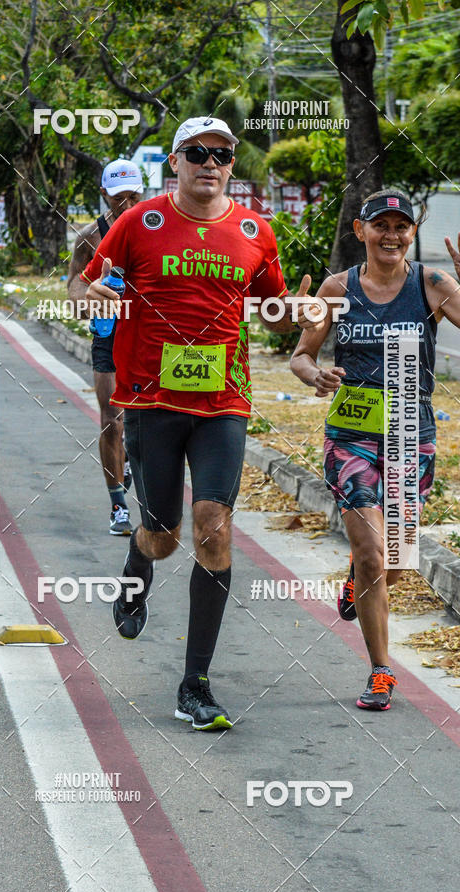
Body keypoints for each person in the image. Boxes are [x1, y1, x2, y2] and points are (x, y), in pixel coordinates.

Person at [81, 116, 307, 730]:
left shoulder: (257, 229)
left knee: (214, 530)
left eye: (223, 154)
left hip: (223, 405)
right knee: (164, 536)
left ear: (232, 164)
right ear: (176, 162)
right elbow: (84, 286)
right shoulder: (139, 222)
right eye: (198, 153)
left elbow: (274, 312)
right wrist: (93, 296)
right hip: (153, 403)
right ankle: (137, 566)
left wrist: (296, 314)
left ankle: (195, 684)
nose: (211, 162)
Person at [290, 188, 460, 711]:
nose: (392, 235)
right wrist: (316, 375)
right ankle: (381, 671)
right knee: (372, 553)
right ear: (361, 231)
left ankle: (357, 590)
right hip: (351, 435)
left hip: (410, 433)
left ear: (411, 233)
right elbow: (301, 357)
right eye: (381, 225)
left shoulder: (432, 284)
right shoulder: (338, 288)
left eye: (402, 226)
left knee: (396, 558)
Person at [69, 159, 144, 537]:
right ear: (104, 195)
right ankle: (118, 506)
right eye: (119, 198)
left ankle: (129, 461)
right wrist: (89, 300)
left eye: (133, 196)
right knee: (111, 418)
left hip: (148, 337)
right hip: (108, 335)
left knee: (143, 420)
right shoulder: (89, 237)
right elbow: (73, 290)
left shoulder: (155, 230)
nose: (127, 205)